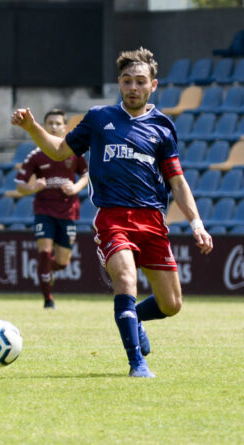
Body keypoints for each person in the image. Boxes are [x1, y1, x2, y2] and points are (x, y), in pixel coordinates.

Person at [11, 47, 213, 378]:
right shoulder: (98, 118)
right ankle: (137, 362)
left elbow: (177, 181)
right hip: (113, 218)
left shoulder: (163, 127)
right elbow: (59, 149)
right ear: (119, 83)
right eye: (126, 80)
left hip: (152, 221)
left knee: (172, 304)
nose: (132, 87)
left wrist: (197, 223)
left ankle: (132, 319)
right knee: (125, 279)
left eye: (139, 81)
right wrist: (33, 127)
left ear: (153, 85)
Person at [14, 109, 89, 310]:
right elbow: (20, 186)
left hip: (68, 211)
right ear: (44, 126)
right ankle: (48, 299)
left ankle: (45, 270)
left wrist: (76, 187)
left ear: (65, 127)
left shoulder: (74, 151)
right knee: (45, 253)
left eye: (58, 123)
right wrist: (32, 187)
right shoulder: (35, 156)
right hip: (44, 210)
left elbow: (86, 175)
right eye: (50, 123)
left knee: (62, 263)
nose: (54, 127)